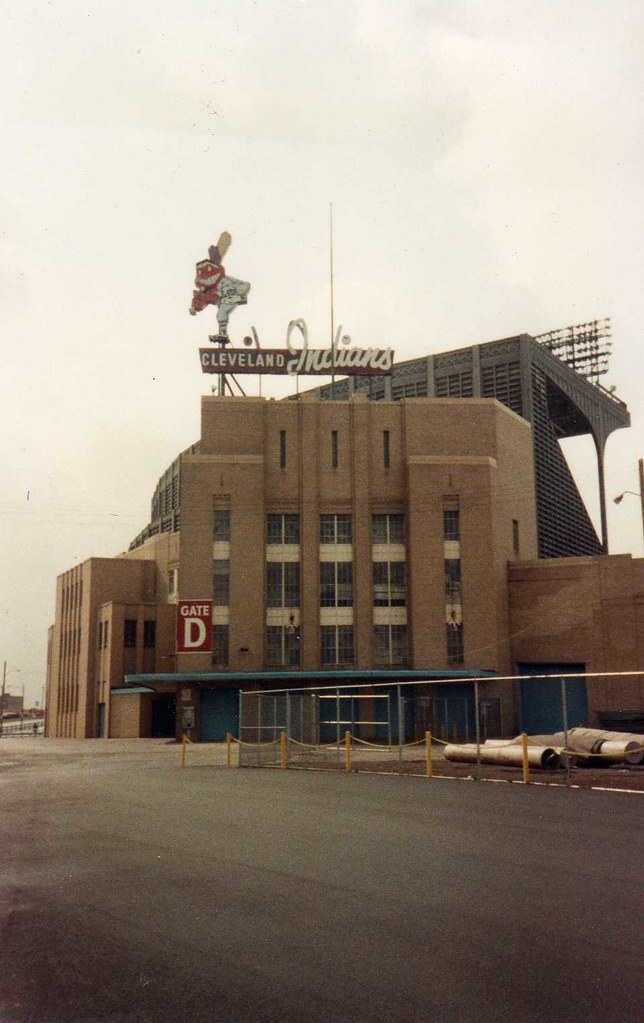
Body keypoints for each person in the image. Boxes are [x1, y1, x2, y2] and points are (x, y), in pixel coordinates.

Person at [189, 233, 250, 338]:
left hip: (228, 294)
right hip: (223, 298)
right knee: (221, 312)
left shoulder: (219, 278)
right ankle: (223, 334)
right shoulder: (206, 290)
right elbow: (200, 300)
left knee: (231, 290)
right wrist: (194, 307)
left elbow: (245, 286)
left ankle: (236, 297)